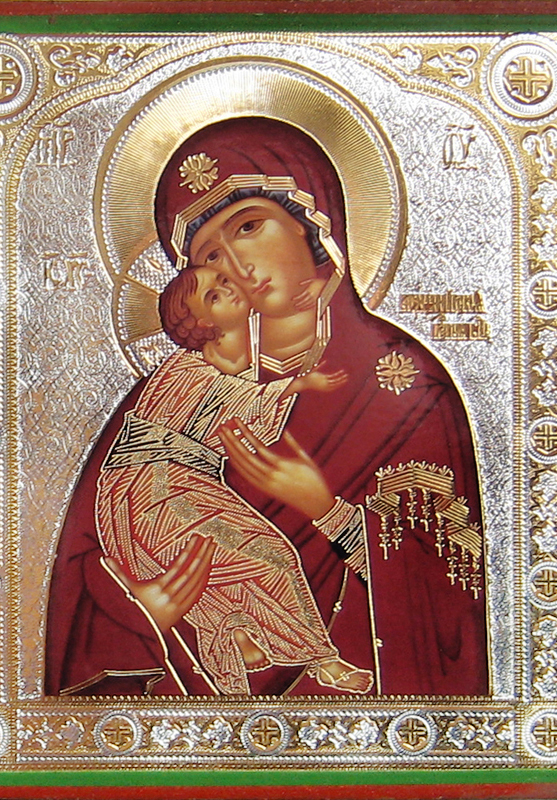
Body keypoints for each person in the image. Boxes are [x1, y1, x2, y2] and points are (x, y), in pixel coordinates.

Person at [45, 117, 489, 697]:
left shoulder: (403, 387)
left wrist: (327, 510)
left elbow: (452, 585)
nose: (236, 265)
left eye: (249, 226)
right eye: (210, 254)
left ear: (311, 218)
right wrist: (138, 610)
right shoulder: (162, 396)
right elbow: (86, 565)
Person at [94, 263, 372, 695]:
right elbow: (228, 399)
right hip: (149, 492)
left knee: (220, 574)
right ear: (202, 323)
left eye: (223, 281)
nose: (228, 287)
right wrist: (297, 386)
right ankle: (320, 659)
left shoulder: (236, 367)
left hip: (187, 483)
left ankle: (236, 640)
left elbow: (241, 423)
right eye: (214, 295)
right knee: (270, 555)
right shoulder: (182, 371)